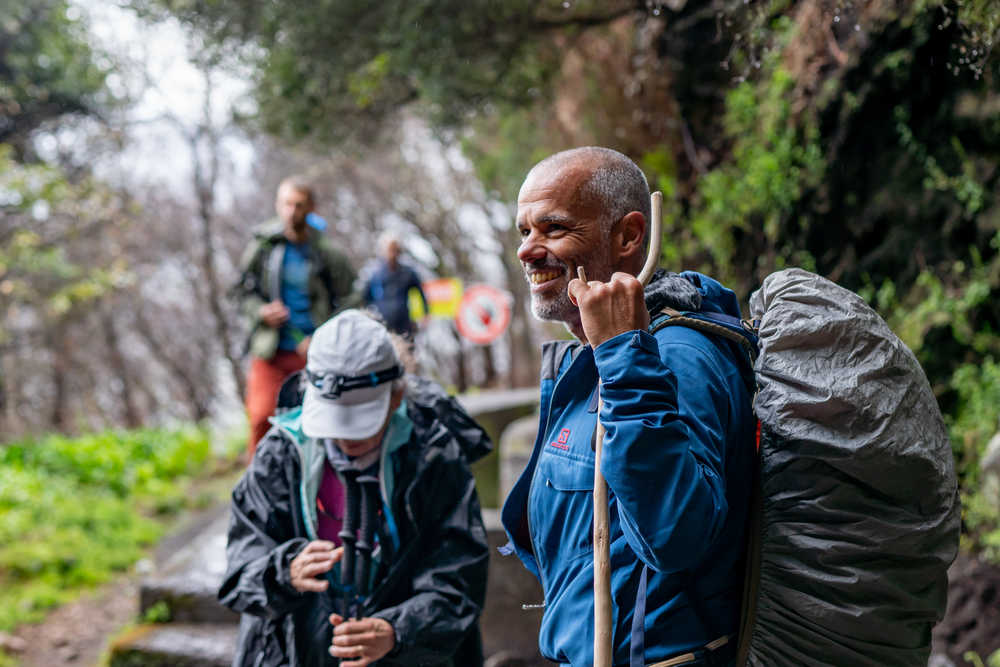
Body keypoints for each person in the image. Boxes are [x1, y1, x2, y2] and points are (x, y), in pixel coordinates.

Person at [500, 147, 755, 666]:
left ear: (628, 236)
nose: (528, 251)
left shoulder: (677, 357)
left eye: (553, 228)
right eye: (524, 231)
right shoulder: (593, 358)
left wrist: (625, 356)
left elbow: (674, 537)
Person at [219, 309, 491, 667]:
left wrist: (398, 631)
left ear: (395, 397)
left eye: (361, 423)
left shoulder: (434, 454)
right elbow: (240, 574)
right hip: (298, 651)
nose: (346, 438)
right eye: (334, 422)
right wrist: (284, 572)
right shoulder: (281, 455)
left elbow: (459, 575)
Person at [233, 176, 357, 455]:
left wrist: (322, 335)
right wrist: (261, 311)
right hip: (271, 351)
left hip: (315, 355)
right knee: (260, 418)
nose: (291, 211)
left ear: (311, 208)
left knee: (322, 427)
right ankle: (258, 491)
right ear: (278, 206)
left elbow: (353, 297)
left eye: (298, 205)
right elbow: (239, 292)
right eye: (286, 204)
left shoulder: (327, 252)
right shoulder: (263, 248)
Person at [362, 232, 428, 338]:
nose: (392, 253)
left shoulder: (407, 273)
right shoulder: (375, 274)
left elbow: (421, 293)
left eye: (395, 250)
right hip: (382, 324)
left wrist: (425, 314)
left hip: (404, 323)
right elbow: (365, 298)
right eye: (390, 250)